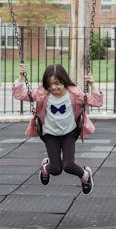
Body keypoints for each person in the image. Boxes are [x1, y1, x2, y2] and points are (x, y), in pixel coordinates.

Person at [12, 63, 104, 192]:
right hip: (50, 134)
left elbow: (97, 102)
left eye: (57, 83)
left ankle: (85, 176)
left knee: (69, 165)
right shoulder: (42, 93)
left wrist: (92, 84)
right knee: (55, 169)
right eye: (49, 84)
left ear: (64, 81)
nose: (53, 88)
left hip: (69, 134)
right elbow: (19, 95)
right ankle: (45, 168)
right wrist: (21, 77)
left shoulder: (75, 93)